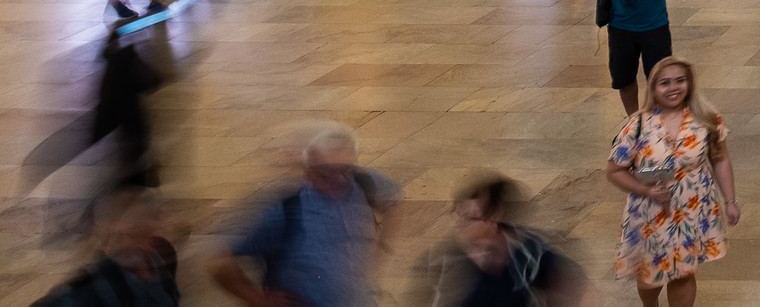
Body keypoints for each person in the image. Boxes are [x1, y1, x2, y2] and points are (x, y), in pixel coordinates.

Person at [213, 124, 396, 307]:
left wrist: (382, 249)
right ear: (308, 172)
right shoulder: (285, 211)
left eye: (346, 170)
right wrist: (260, 300)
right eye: (327, 174)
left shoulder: (362, 184)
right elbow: (219, 264)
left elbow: (393, 203)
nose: (340, 179)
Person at [604, 58, 739, 306]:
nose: (673, 88)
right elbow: (614, 171)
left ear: (690, 83)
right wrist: (645, 189)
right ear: (654, 87)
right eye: (665, 83)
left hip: (692, 209)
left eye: (680, 81)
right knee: (649, 278)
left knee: (684, 272)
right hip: (649, 213)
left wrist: (730, 201)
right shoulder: (637, 125)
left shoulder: (706, 119)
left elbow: (720, 160)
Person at [417, 176, 585, 307]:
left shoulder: (526, 252)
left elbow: (582, 289)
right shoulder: (444, 261)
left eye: (470, 218)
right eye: (458, 213)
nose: (460, 223)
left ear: (493, 218)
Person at [31, 187, 181, 307]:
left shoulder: (160, 262)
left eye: (141, 233)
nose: (130, 244)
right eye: (123, 236)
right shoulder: (95, 286)